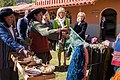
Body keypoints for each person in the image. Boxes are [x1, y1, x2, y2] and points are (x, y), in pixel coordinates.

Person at [0, 8, 32, 80]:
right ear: (5, 18)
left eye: (13, 17)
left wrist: (24, 42)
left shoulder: (10, 27)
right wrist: (21, 49)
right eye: (11, 17)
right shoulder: (1, 27)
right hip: (3, 62)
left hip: (12, 60)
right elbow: (8, 40)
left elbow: (15, 39)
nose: (13, 19)